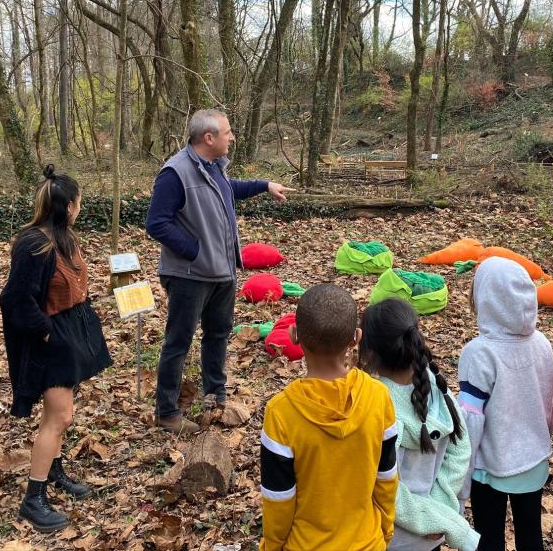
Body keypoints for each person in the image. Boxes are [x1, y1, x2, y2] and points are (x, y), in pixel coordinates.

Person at [146, 109, 293, 431]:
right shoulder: (175, 172)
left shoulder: (214, 168)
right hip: (190, 275)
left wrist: (265, 185)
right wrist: (195, 252)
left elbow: (230, 189)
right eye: (227, 132)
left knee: (217, 334)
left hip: (222, 272)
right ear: (208, 137)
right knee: (178, 342)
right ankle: (167, 411)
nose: (232, 137)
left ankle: (215, 394)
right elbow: (156, 223)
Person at [0, 165, 112, 532]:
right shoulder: (35, 244)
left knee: (60, 415)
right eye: (78, 202)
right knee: (59, 417)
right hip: (51, 342)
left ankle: (53, 471)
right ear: (68, 206)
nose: (81, 207)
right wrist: (47, 333)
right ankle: (33, 500)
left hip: (69, 333)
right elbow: (16, 299)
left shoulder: (64, 238)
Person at [259, 284, 398, 550]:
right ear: (355, 338)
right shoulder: (379, 397)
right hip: (368, 542)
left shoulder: (281, 412)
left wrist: (273, 546)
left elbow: (279, 500)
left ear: (294, 335)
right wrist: (385, 528)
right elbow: (387, 479)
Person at [360, 298, 479, 551]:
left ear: (369, 352)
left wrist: (431, 517)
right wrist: (440, 512)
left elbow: (380, 485)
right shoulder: (437, 387)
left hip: (392, 539)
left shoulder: (375, 405)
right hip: (433, 534)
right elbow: (461, 450)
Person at [457, 258, 553, 551]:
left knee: (488, 539)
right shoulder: (542, 343)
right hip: (534, 458)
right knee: (530, 535)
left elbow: (471, 420)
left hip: (491, 466)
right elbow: (548, 402)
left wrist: (462, 475)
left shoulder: (479, 353)